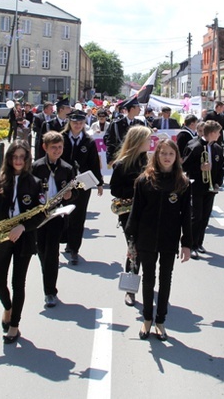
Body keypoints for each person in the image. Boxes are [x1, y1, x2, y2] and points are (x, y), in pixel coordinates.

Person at [0, 140, 46, 344]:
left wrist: (23, 226)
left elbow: (41, 214)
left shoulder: (35, 182)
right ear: (9, 158)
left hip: (24, 239)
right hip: (1, 239)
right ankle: (8, 306)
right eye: (15, 157)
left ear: (27, 159)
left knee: (18, 284)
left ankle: (14, 325)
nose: (18, 161)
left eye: (22, 157)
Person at [125, 138, 191, 341]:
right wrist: (131, 242)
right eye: (163, 153)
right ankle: (146, 319)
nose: (167, 157)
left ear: (176, 157)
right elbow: (135, 213)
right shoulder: (145, 180)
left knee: (165, 279)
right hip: (146, 237)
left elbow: (186, 215)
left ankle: (160, 321)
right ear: (156, 155)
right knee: (148, 279)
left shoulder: (182, 182)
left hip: (169, 239)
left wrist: (187, 243)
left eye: (171, 154)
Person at [31, 131, 75, 308]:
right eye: (53, 148)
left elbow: (75, 191)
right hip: (38, 216)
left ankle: (50, 291)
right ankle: (47, 272)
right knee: (41, 249)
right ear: (45, 148)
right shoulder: (36, 166)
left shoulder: (67, 168)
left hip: (56, 215)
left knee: (52, 252)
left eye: (60, 147)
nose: (57, 151)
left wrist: (70, 196)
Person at [110, 125, 152, 306]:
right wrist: (137, 188)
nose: (150, 143)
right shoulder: (121, 164)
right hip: (129, 213)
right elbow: (115, 189)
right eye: (147, 139)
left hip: (149, 212)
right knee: (134, 251)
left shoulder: (150, 162)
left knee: (146, 251)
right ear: (138, 141)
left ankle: (146, 285)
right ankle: (129, 289)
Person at [61, 109, 104, 264]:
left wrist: (99, 182)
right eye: (74, 122)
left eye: (80, 123)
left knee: (78, 216)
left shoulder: (89, 141)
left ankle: (74, 248)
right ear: (69, 123)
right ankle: (63, 240)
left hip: (83, 182)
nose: (77, 125)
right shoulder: (61, 138)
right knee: (62, 213)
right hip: (63, 182)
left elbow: (94, 163)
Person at [182, 119, 224, 259]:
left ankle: (199, 242)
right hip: (196, 186)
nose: (219, 135)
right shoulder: (194, 146)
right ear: (212, 133)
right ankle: (191, 244)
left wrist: (218, 182)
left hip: (210, 188)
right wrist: (199, 168)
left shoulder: (217, 149)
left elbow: (220, 169)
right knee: (196, 217)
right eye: (218, 133)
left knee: (205, 217)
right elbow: (184, 166)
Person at [105, 97, 146, 165]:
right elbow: (110, 142)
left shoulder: (140, 124)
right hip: (120, 159)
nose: (140, 109)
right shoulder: (116, 124)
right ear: (132, 109)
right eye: (138, 107)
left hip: (136, 160)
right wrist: (110, 159)